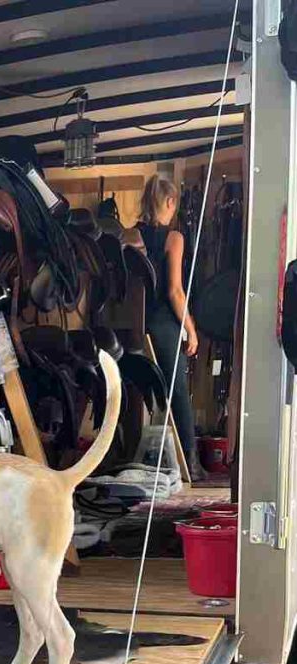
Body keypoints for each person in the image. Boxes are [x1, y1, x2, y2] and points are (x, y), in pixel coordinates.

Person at [136, 174, 206, 481]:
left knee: (141, 392)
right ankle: (191, 463)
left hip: (135, 321)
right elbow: (175, 291)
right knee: (177, 390)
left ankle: (142, 459)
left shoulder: (130, 235)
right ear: (169, 201)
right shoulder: (174, 238)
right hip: (164, 321)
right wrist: (191, 328)